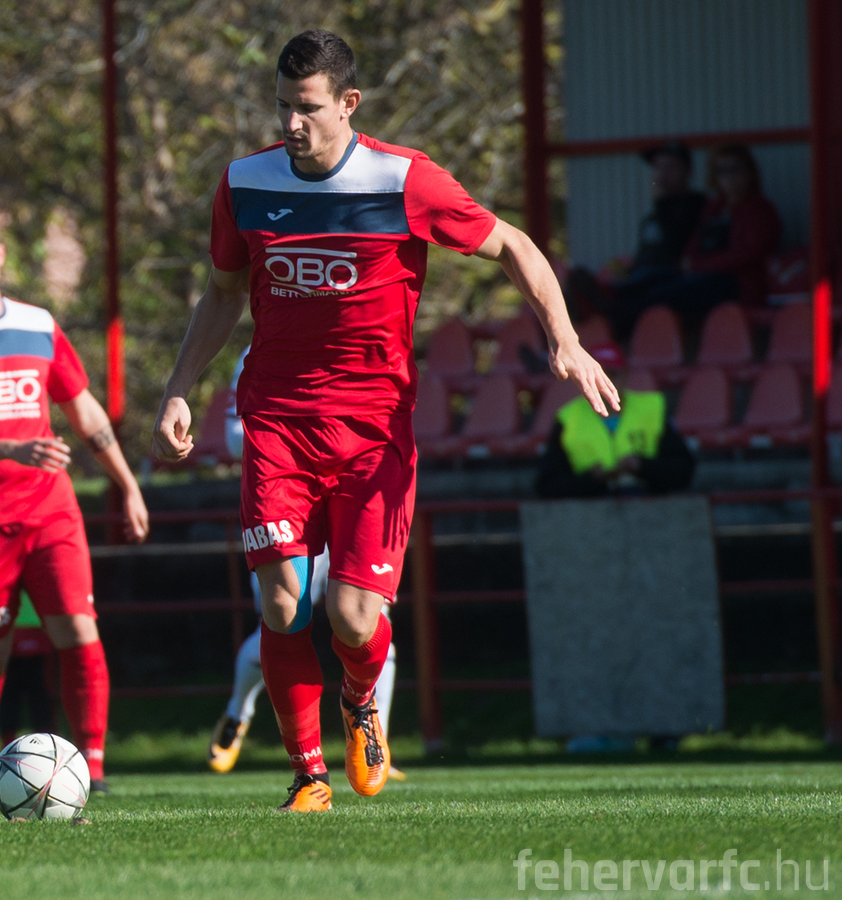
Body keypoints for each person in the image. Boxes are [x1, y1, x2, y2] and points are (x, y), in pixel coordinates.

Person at [153, 30, 616, 813]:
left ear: (348, 103)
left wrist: (564, 339)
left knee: (352, 616)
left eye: (307, 108)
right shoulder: (244, 183)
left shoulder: (405, 180)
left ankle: (361, 703)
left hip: (374, 432)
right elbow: (224, 292)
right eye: (282, 106)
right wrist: (178, 388)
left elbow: (513, 244)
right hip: (276, 420)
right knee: (281, 604)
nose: (291, 124)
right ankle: (308, 775)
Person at [0, 213, 150, 799]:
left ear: (1, 254)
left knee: (79, 630)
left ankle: (92, 766)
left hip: (50, 510)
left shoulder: (38, 324)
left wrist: (127, 483)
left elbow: (83, 409)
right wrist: (15, 448)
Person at [207, 353, 403, 781]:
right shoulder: (260, 349)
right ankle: (238, 715)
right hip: (289, 495)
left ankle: (374, 736)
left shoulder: (362, 339)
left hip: (355, 484)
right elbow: (234, 437)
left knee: (367, 619)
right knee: (283, 615)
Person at [616, 145, 782, 333]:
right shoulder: (714, 209)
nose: (728, 176)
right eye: (721, 171)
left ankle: (620, 323)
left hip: (735, 284)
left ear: (750, 173)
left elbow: (747, 254)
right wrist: (689, 263)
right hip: (702, 275)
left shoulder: (760, 210)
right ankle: (609, 300)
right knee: (650, 279)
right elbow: (694, 244)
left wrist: (697, 265)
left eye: (735, 169)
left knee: (662, 295)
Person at [564, 141, 705, 332]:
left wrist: (663, 204)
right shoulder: (652, 217)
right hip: (641, 281)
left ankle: (606, 301)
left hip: (673, 282)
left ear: (687, 171)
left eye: (671, 167)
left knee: (653, 283)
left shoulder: (698, 206)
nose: (662, 175)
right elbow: (645, 256)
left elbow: (677, 250)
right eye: (658, 167)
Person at [535, 344, 695, 499]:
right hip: (591, 508)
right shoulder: (567, 419)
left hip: (647, 503)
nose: (604, 382)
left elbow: (683, 471)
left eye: (612, 374)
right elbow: (547, 486)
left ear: (625, 375)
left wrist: (642, 466)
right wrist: (590, 479)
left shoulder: (652, 409)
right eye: (595, 375)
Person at [0, 593, 57, 746]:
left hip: (38, 628)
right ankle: (8, 746)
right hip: (7, 627)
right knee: (8, 695)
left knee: (41, 695)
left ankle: (47, 745)